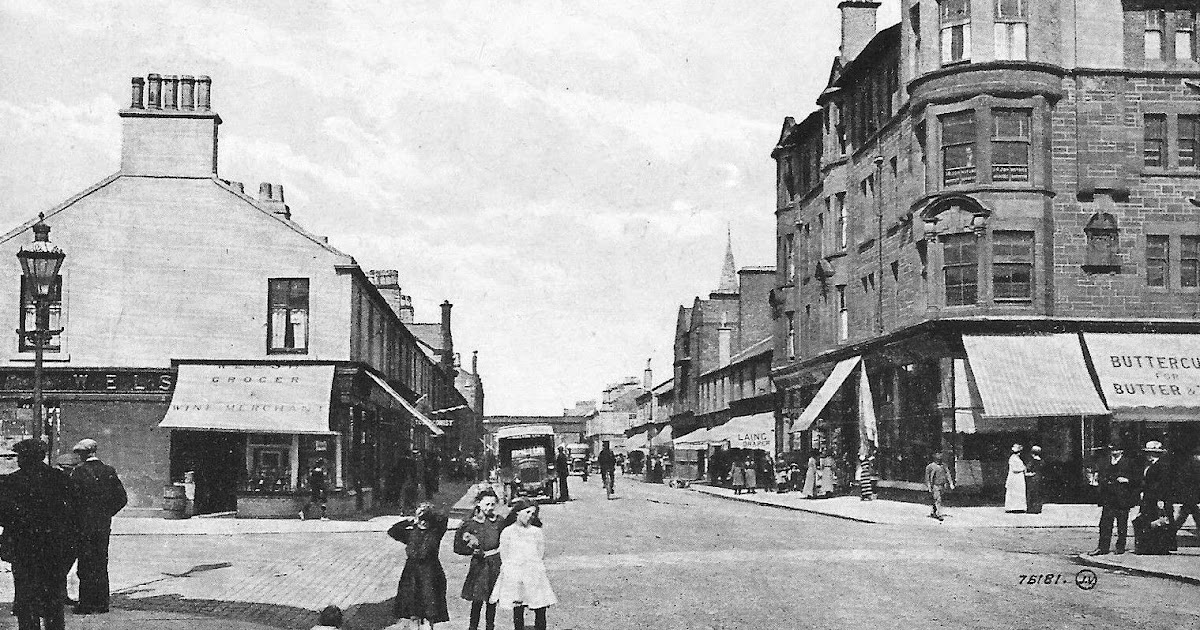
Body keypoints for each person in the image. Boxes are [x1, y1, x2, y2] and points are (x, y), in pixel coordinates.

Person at [0, 438, 77, 630]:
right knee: (53, 600)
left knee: (26, 600)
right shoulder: (60, 479)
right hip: (54, 548)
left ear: (25, 458)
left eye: (20, 457)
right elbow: (73, 514)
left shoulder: (11, 482)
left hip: (23, 549)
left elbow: (2, 515)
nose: (18, 461)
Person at [69, 438, 128, 615]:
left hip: (83, 526)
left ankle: (86, 604)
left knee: (85, 565)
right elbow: (121, 499)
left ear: (83, 454)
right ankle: (102, 604)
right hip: (102, 525)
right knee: (101, 563)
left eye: (79, 453)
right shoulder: (108, 471)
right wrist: (106, 513)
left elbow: (71, 501)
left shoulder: (78, 473)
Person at [489, 498, 556, 630]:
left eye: (533, 514)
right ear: (517, 513)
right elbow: (505, 555)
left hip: (533, 572)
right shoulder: (508, 532)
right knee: (518, 606)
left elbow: (539, 553)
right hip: (515, 573)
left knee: (540, 605)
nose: (530, 516)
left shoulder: (536, 532)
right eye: (527, 512)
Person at [389, 502, 450, 628]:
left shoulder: (436, 532)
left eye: (426, 519)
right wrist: (409, 521)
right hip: (411, 575)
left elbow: (443, 518)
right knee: (413, 613)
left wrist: (428, 511)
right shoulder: (411, 533)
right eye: (421, 519)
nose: (423, 522)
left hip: (430, 574)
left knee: (430, 612)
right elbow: (393, 531)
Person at [454, 488, 505, 630]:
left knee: (492, 599)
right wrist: (471, 549)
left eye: (492, 504)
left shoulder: (499, 521)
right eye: (487, 504)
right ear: (478, 504)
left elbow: (507, 540)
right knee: (477, 600)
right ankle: (473, 627)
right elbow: (457, 546)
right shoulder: (470, 523)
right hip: (479, 565)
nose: (490, 508)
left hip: (495, 564)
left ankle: (490, 626)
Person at [1089, 443, 1139, 555]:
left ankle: (1120, 547)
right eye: (1112, 450)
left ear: (1122, 451)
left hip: (1122, 498)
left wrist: (1127, 480)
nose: (1114, 452)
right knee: (1105, 524)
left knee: (1121, 524)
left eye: (1116, 450)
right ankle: (1102, 547)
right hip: (1108, 497)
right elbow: (1100, 475)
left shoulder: (1128, 462)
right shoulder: (1105, 461)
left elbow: (1137, 479)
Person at [53, 452, 82, 606]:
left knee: (63, 562)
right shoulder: (56, 481)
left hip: (68, 528)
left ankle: (60, 594)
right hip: (57, 529)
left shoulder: (69, 481)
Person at [1134, 440, 1172, 555]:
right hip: (1148, 498)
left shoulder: (1162, 466)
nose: (1148, 455)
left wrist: (1160, 499)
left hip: (1156, 498)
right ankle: (1150, 547)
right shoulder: (1150, 465)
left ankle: (1158, 547)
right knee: (1149, 521)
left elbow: (1163, 484)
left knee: (1156, 522)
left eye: (1150, 452)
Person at [1171, 447, 1200, 540]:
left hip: (1190, 494)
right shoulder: (1194, 464)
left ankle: (1170, 533)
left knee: (1186, 514)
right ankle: (1170, 533)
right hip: (1192, 494)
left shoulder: (1190, 463)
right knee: (1188, 514)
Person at [924, 452, 954, 521]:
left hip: (942, 485)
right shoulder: (930, 466)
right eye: (938, 456)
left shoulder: (943, 466)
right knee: (938, 499)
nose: (939, 457)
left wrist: (951, 483)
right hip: (935, 486)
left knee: (937, 499)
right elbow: (927, 477)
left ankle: (933, 512)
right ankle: (938, 514)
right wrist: (929, 486)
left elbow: (947, 474)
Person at [1004, 444, 1028, 513]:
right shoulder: (1013, 458)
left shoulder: (1017, 458)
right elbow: (1014, 469)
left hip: (1018, 478)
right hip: (1015, 477)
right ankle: (1013, 507)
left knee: (1018, 492)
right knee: (1014, 492)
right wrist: (1023, 468)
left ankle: (1019, 507)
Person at [1025, 446, 1044, 514]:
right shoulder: (1042, 461)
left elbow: (1028, 469)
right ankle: (1038, 508)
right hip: (1039, 477)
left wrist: (1028, 473)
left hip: (1033, 478)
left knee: (1031, 493)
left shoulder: (1032, 461)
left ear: (1032, 453)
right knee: (1038, 493)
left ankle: (1031, 509)